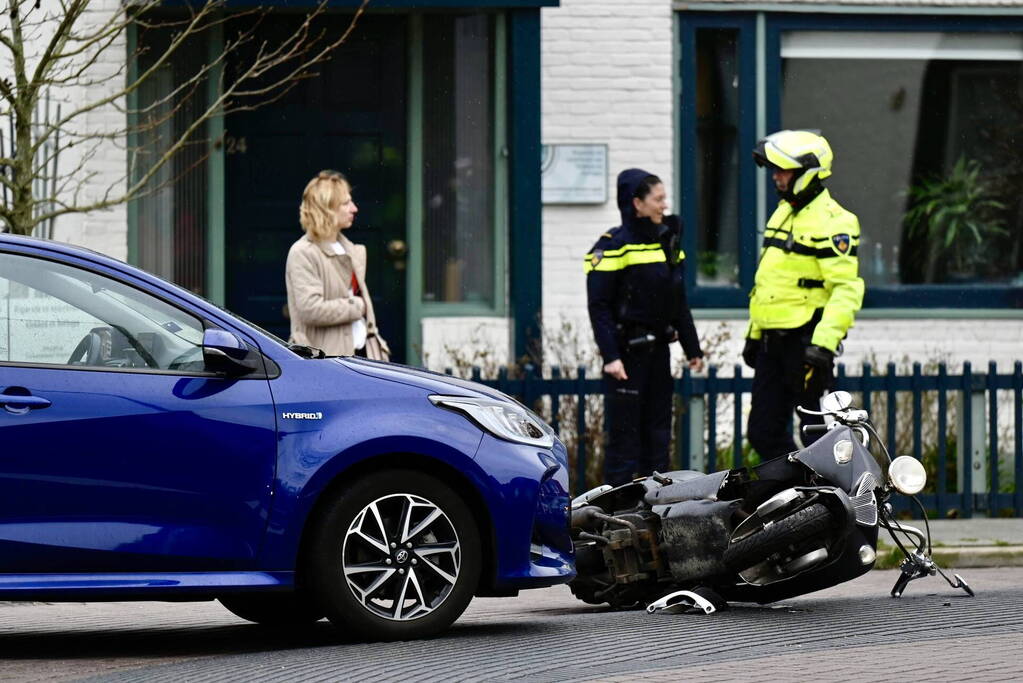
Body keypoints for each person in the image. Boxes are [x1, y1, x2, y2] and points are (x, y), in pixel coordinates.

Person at [744, 130, 864, 460]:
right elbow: (769, 281)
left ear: (807, 173)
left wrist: (823, 345)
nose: (776, 177)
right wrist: (754, 335)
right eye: (775, 170)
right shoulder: (782, 213)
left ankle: (836, 504)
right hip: (772, 342)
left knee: (818, 434)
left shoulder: (835, 221)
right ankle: (798, 496)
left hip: (806, 341)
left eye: (784, 171)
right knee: (763, 432)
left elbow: (846, 288)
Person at [585, 169, 704, 486]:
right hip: (626, 357)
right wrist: (610, 356)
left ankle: (659, 513)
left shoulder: (668, 241)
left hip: (658, 354)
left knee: (658, 437)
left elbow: (677, 299)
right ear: (637, 203)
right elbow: (599, 307)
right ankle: (617, 517)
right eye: (658, 198)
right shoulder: (612, 246)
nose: (665, 205)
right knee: (624, 442)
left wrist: (692, 348)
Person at [285, 170, 390, 360]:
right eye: (346, 203)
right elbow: (311, 310)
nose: (354, 209)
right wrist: (358, 306)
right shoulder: (303, 252)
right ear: (326, 209)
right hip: (327, 363)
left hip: (363, 357)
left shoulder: (349, 249)